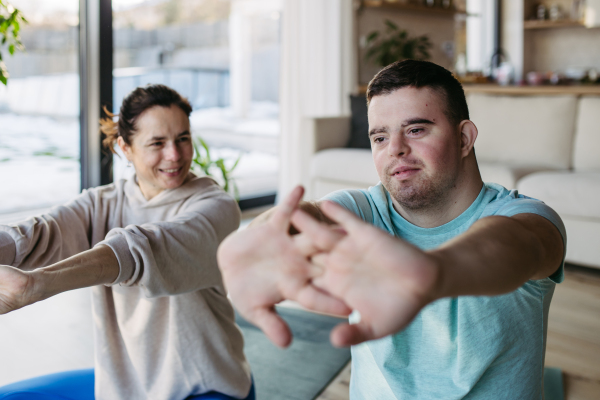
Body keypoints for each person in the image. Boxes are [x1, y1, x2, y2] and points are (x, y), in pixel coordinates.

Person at [217, 60, 566, 399]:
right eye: (380, 137)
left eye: (415, 130)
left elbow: (522, 243)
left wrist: (436, 272)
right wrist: (259, 238)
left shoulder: (527, 217)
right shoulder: (363, 213)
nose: (395, 149)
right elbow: (309, 217)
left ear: (464, 138)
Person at [0, 84, 254, 400]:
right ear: (125, 147)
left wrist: (38, 285)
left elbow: (141, 250)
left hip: (206, 387)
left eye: (182, 139)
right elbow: (36, 235)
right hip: (129, 384)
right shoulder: (101, 203)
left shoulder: (215, 206)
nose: (174, 155)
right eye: (157, 143)